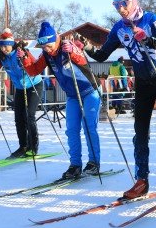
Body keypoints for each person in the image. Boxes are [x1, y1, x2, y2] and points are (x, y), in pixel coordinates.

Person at [78, 0, 156, 199]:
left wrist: (147, 38)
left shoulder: (150, 19)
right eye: (116, 4)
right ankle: (141, 181)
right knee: (140, 133)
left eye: (124, 3)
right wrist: (86, 46)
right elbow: (101, 55)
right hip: (144, 83)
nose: (121, 8)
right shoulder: (119, 28)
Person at [24, 21, 101, 179]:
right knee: (71, 130)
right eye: (43, 46)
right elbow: (34, 70)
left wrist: (72, 51)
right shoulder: (46, 54)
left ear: (55, 39)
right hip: (72, 95)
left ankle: (94, 162)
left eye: (49, 45)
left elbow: (82, 60)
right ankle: (75, 165)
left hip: (89, 91)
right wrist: (25, 58)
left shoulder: (67, 45)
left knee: (89, 128)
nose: (47, 49)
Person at [0, 28, 43, 158]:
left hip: (34, 85)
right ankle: (23, 147)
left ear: (12, 45)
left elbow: (35, 67)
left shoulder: (21, 52)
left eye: (6, 46)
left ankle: (33, 148)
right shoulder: (2, 57)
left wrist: (24, 60)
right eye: (1, 46)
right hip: (20, 88)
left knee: (29, 116)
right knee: (18, 119)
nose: (4, 49)